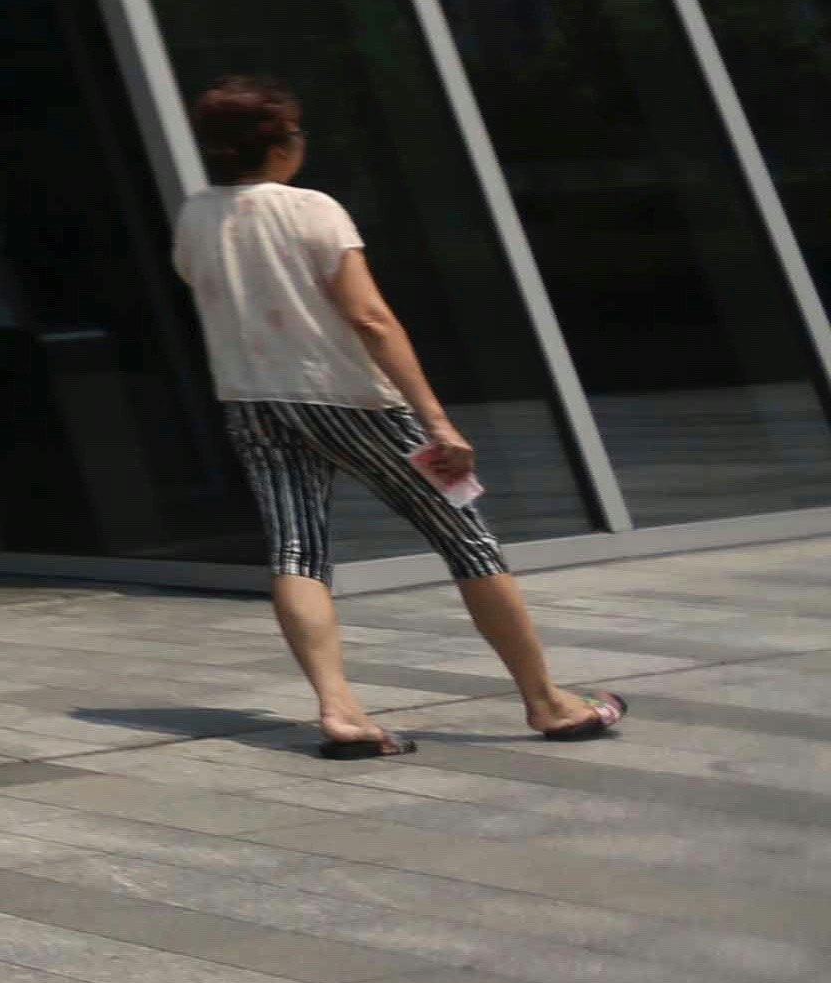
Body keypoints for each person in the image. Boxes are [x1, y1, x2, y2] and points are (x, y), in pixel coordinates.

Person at [169, 77, 619, 757]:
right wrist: (436, 419)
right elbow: (370, 317)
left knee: (298, 550)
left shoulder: (196, 215)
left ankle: (340, 710)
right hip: (351, 399)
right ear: (282, 144)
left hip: (253, 402)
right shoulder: (313, 208)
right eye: (298, 134)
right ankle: (548, 702)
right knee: (468, 538)